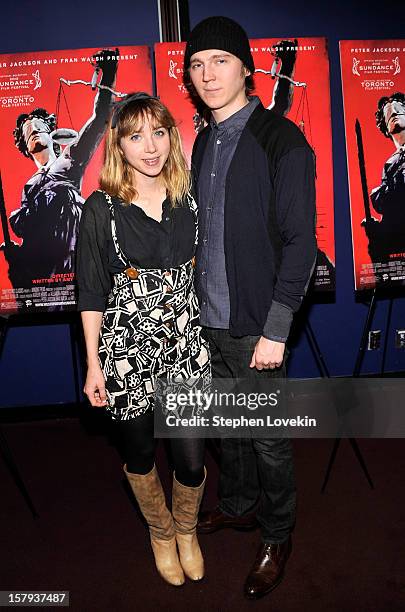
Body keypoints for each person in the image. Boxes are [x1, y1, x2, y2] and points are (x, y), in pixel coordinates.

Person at [183, 16, 317, 600]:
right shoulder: (203, 138)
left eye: (220, 61)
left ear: (246, 68)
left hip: (256, 325)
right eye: (197, 64)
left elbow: (301, 246)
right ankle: (238, 506)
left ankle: (278, 532)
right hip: (206, 318)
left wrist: (276, 329)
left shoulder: (281, 140)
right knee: (226, 427)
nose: (207, 74)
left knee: (266, 436)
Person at [76, 93, 211, 586]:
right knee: (139, 454)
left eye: (159, 133)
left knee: (191, 458)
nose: (149, 147)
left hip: (186, 344)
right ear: (120, 146)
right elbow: (90, 291)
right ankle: (160, 533)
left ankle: (188, 530)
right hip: (126, 349)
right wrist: (93, 365)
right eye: (135, 137)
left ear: (172, 137)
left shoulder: (189, 196)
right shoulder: (101, 208)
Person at [8, 49, 118, 290]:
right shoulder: (30, 186)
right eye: (28, 131)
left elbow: (100, 119)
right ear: (26, 146)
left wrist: (107, 75)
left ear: (51, 132)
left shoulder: (68, 161)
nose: (33, 130)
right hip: (48, 272)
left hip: (75, 259)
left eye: (38, 126)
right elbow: (27, 233)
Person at [369, 92, 405, 259]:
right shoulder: (390, 163)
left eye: (399, 109)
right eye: (389, 113)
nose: (394, 113)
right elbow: (387, 207)